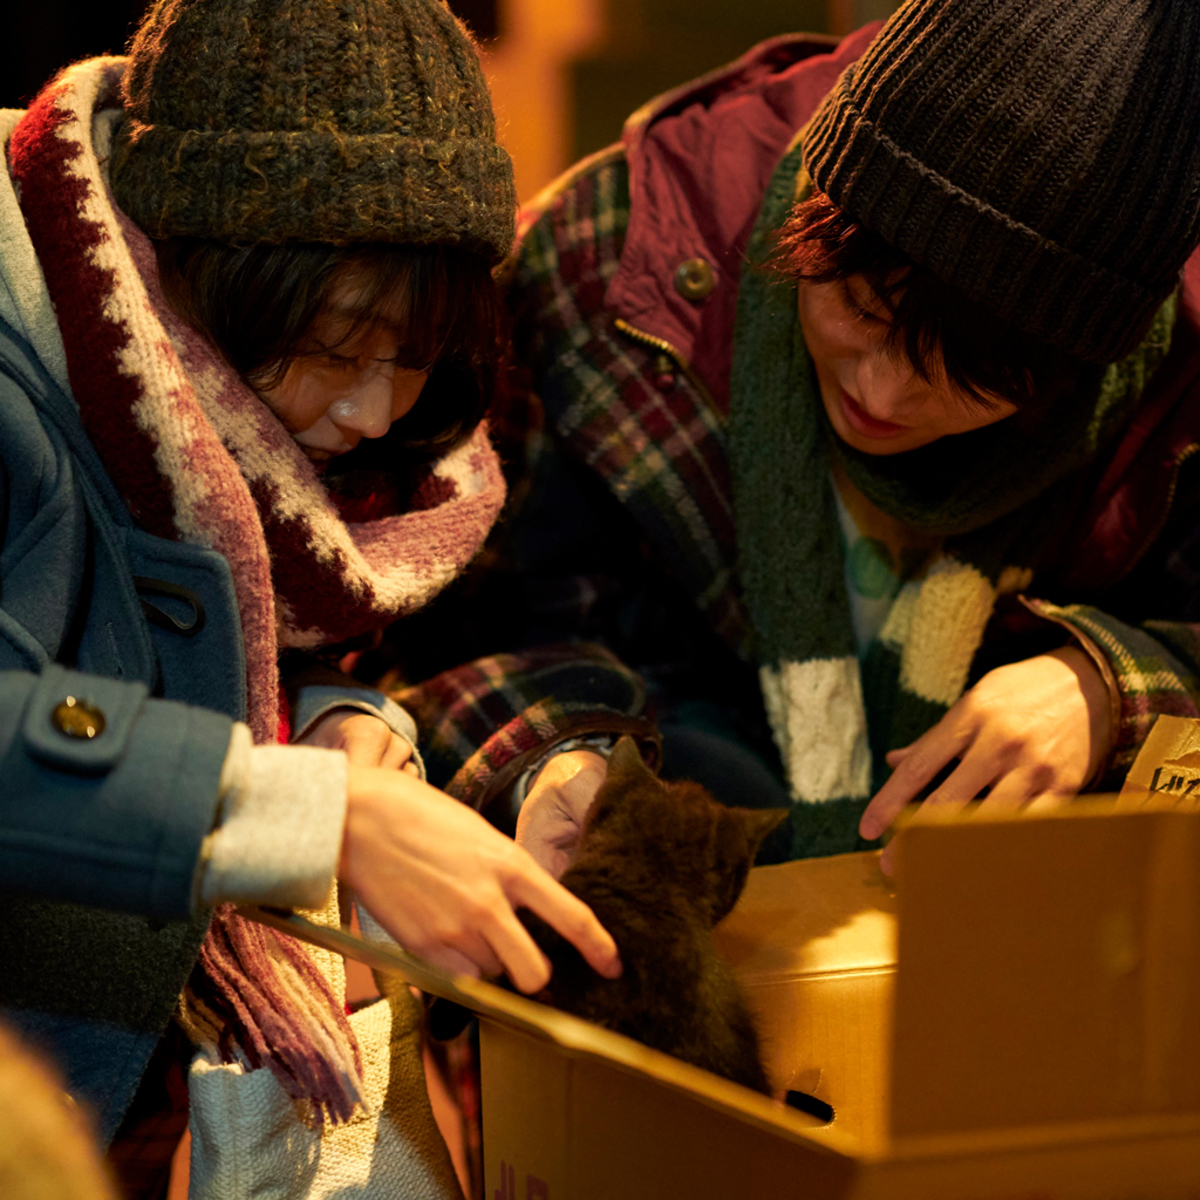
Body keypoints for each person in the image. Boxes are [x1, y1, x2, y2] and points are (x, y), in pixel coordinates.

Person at [0, 0, 628, 1192]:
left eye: (417, 355)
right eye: (341, 346)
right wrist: (303, 812)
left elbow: (210, 650)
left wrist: (344, 729)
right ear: (214, 270)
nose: (382, 412)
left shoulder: (203, 382)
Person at [387, 0, 1200, 877]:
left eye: (971, 378)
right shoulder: (619, 266)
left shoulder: (1178, 376)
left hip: (1022, 938)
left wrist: (1116, 688)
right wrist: (554, 758)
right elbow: (454, 636)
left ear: (1079, 369)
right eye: (860, 309)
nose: (879, 391)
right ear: (820, 211)